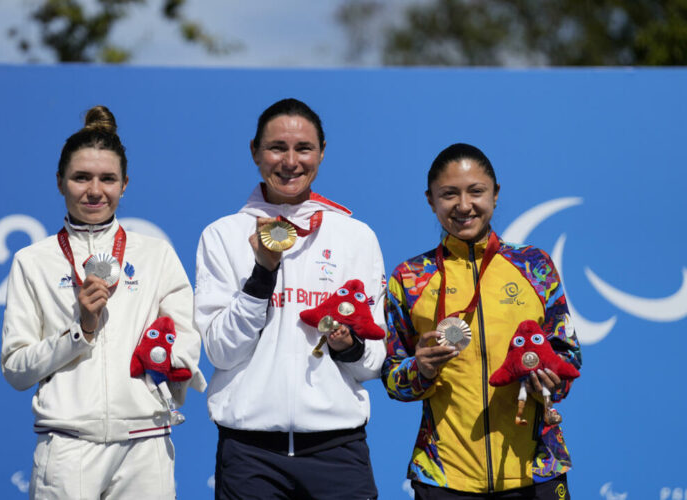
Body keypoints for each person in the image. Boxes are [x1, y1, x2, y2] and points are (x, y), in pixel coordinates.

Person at [1, 105, 205, 500]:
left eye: (107, 179)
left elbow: (186, 343)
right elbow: (15, 369)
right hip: (68, 446)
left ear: (125, 184)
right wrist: (81, 331)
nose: (95, 190)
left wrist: (165, 372)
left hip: (146, 447)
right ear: (59, 182)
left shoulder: (156, 255)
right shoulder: (32, 261)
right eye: (81, 177)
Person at [195, 98, 386, 500]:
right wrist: (263, 273)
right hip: (250, 455)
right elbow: (220, 352)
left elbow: (372, 363)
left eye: (303, 148)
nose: (290, 161)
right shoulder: (223, 235)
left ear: (322, 152)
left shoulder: (356, 236)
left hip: (338, 450)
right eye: (277, 148)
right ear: (254, 152)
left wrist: (348, 346)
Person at [383, 143, 582, 499]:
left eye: (476, 191)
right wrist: (421, 370)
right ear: (430, 200)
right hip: (444, 478)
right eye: (449, 194)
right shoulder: (410, 278)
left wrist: (547, 382)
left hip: (537, 471)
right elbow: (393, 378)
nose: (463, 205)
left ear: (495, 194)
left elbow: (568, 357)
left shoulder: (534, 266)